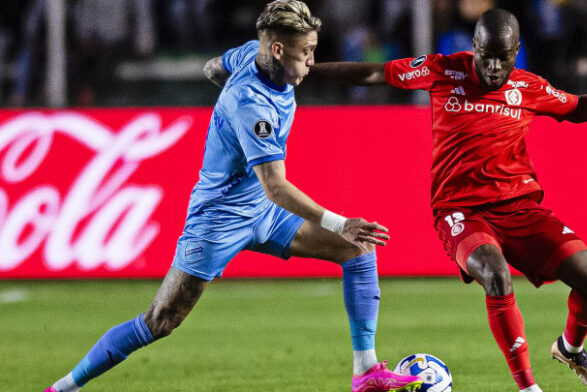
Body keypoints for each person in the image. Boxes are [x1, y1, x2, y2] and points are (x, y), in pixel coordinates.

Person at [44, 2, 422, 391]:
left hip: (263, 212)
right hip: (219, 219)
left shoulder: (248, 54)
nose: (312, 61)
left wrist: (224, 119)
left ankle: (366, 372)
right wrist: (340, 222)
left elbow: (213, 68)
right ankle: (63, 387)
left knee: (357, 250)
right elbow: (275, 186)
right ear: (277, 50)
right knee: (160, 320)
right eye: (306, 52)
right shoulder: (252, 105)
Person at [306, 8, 587, 392]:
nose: (493, 67)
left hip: (521, 207)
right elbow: (373, 73)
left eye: (503, 57)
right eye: (485, 55)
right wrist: (307, 70)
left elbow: (577, 108)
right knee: (495, 275)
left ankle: (570, 348)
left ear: (517, 51)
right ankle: (528, 387)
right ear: (473, 46)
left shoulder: (529, 88)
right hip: (460, 210)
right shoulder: (443, 70)